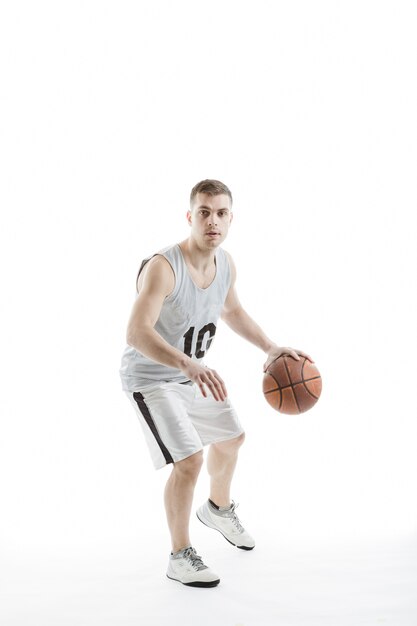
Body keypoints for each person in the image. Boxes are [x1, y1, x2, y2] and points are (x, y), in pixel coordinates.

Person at [119, 179, 309, 588]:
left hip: (192, 374)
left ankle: (218, 508)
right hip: (153, 378)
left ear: (230, 219)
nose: (212, 221)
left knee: (232, 438)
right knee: (189, 462)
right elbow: (135, 332)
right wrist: (187, 365)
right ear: (190, 217)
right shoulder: (163, 267)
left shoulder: (226, 264)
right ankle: (179, 555)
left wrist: (270, 348)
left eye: (221, 213)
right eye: (204, 212)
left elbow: (233, 309)